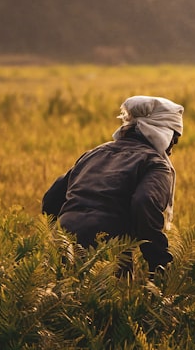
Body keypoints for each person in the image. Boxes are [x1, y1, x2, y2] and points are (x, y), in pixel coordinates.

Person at [42, 95, 184, 274]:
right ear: (163, 134)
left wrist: (61, 235)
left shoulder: (94, 154)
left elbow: (51, 199)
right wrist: (159, 262)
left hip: (63, 244)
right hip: (108, 251)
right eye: (174, 140)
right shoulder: (154, 163)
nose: (171, 150)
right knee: (109, 299)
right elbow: (144, 203)